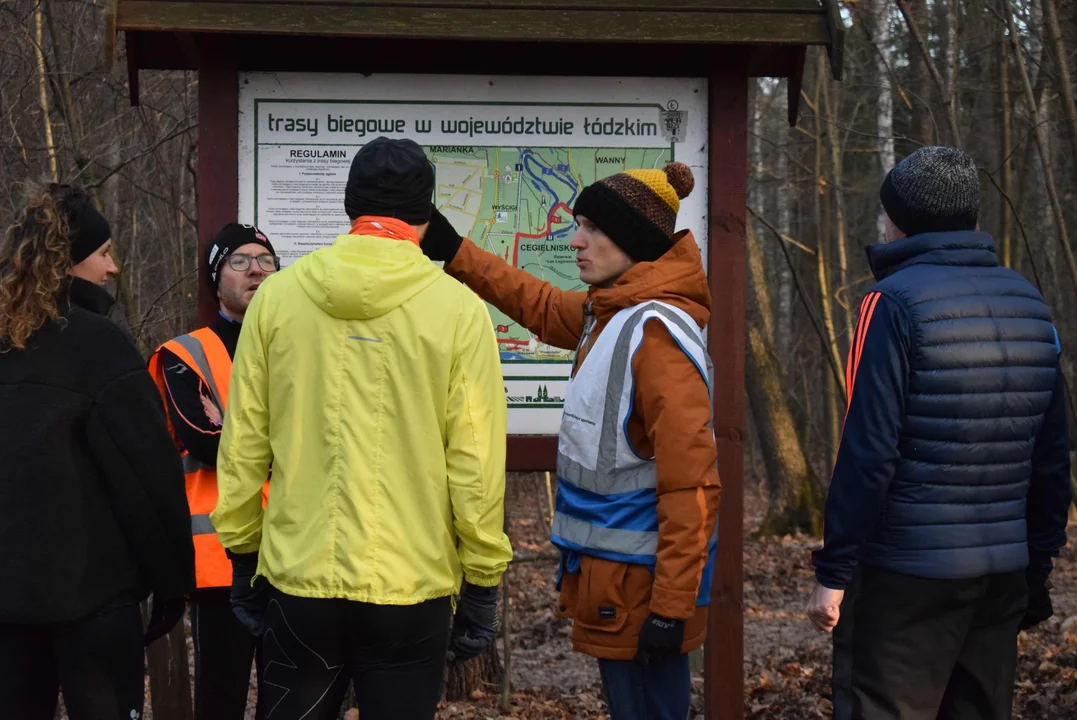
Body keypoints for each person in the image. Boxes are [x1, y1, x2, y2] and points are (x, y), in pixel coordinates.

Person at [210, 137, 513, 720]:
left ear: (351, 207)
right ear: (426, 213)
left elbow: (244, 440)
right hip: (412, 585)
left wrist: (243, 556)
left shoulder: (276, 299)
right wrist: (482, 578)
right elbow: (474, 461)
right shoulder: (458, 309)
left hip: (298, 580)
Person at [420, 162, 721, 720]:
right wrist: (454, 249)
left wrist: (672, 609)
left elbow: (693, 485)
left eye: (592, 228)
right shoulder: (610, 312)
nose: (575, 241)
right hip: (617, 583)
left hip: (646, 592)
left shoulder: (654, 335)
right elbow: (535, 302)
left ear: (634, 241)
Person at [806, 146, 1073, 720]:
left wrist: (834, 570)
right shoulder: (1030, 304)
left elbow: (868, 450)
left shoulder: (891, 304)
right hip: (1001, 570)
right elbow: (1052, 455)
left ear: (896, 221)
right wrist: (1038, 562)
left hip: (906, 578)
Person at [0, 184, 194, 718]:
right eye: (104, 254)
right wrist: (171, 582)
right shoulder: (99, 347)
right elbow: (148, 477)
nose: (113, 270)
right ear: (68, 263)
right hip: (94, 604)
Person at [148, 223, 277, 720]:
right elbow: (205, 440)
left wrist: (236, 430)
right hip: (220, 561)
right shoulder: (186, 354)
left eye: (265, 259)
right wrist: (291, 443)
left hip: (297, 556)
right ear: (215, 278)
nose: (256, 270)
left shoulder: (305, 348)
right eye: (239, 261)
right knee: (220, 702)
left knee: (289, 702)